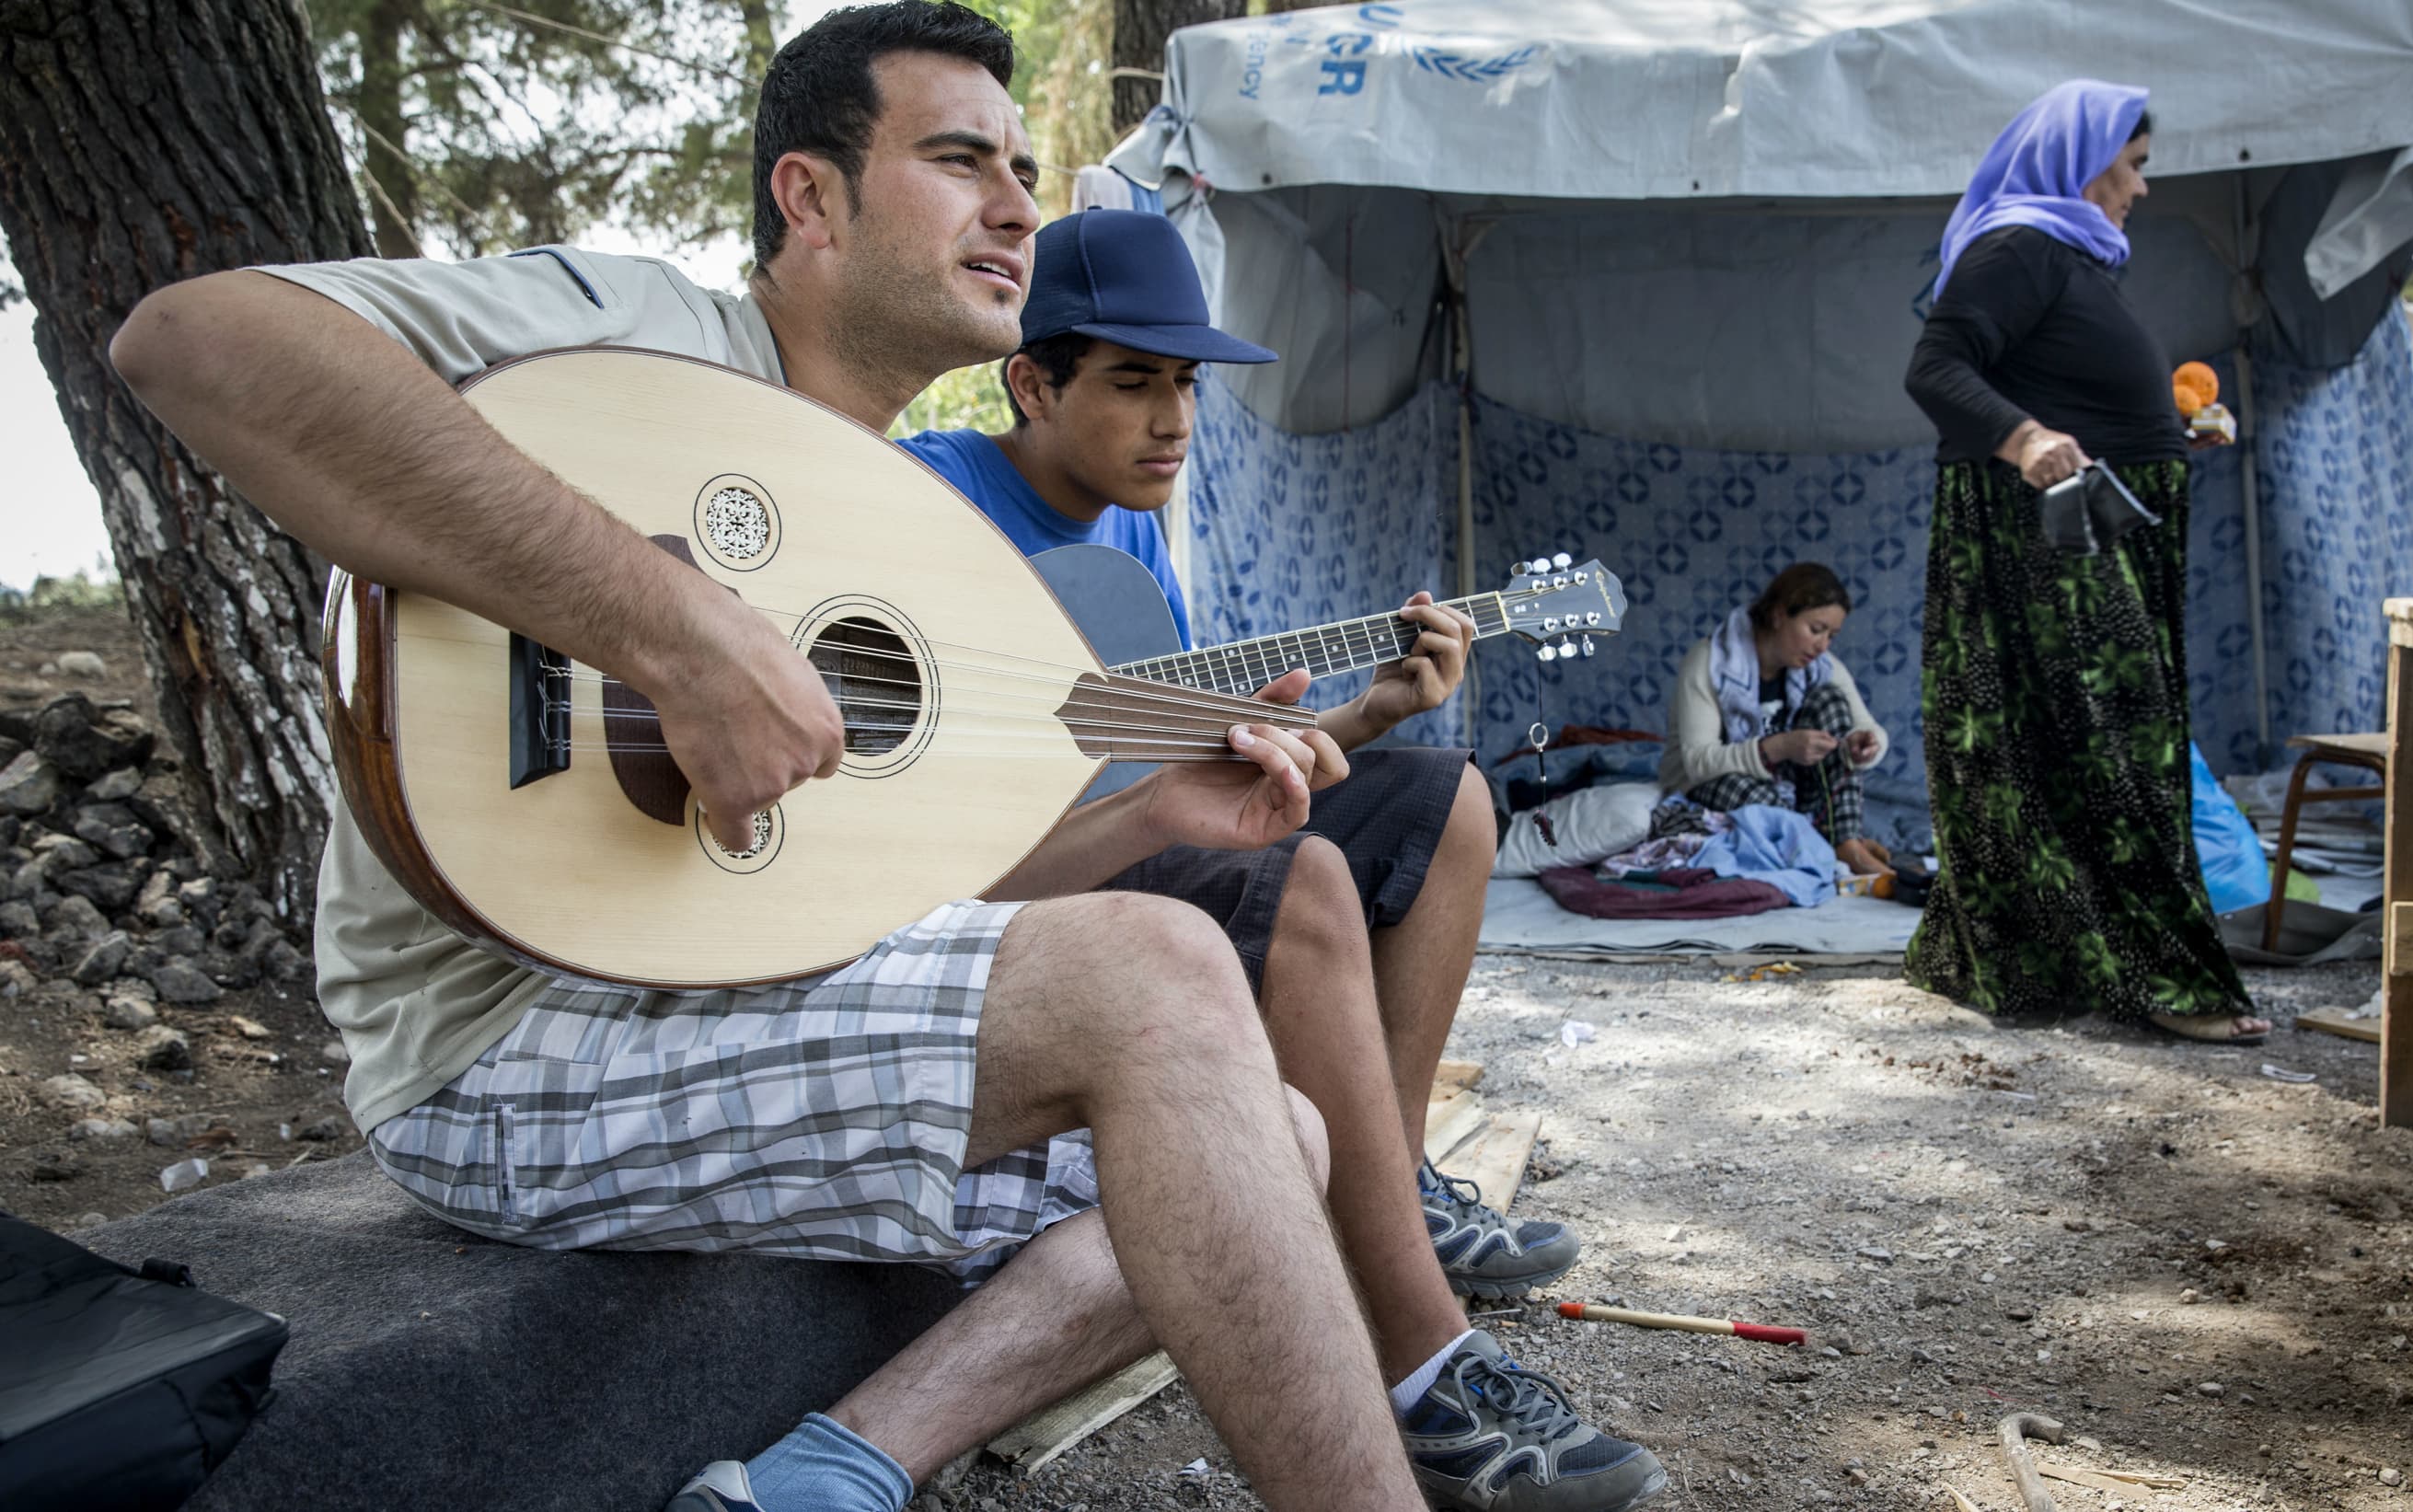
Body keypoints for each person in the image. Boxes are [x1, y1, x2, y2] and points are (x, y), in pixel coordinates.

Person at [107, 7, 1663, 1511]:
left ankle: (834, 1465)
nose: (1017, 210)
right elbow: (196, 341)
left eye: (1022, 173)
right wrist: (676, 633)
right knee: (1167, 973)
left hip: (731, 991)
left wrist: (1150, 811)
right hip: (515, 1040)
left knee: (1290, 1128)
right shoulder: (649, 334)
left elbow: (902, 893)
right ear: (811, 198)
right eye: (959, 160)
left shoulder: (902, 518)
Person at [900, 207, 1581, 1303]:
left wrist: (1368, 712)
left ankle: (1396, 1176)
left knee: (1447, 794)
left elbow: (1185, 756)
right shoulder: (924, 494)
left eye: (1187, 383)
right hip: (984, 888)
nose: (1174, 419)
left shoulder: (1130, 529)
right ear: (1031, 384)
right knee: (1301, 872)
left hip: (1128, 834)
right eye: (1134, 382)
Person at [1899, 78, 2264, 1044]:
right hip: (2052, 552)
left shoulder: (2067, 255)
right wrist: (2023, 439)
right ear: (2078, 158)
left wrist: (2170, 435)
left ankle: (2067, 958)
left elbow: (2074, 385)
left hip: (2097, 538)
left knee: (2081, 750)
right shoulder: (2015, 245)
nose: (2141, 188)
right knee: (2113, 748)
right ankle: (2161, 977)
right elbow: (1934, 369)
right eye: (2132, 165)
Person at [1657, 562, 1894, 879]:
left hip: (1790, 792)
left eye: (1831, 636)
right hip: (1712, 785)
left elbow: (1869, 727)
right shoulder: (1709, 661)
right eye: (1816, 630)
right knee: (1754, 797)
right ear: (1779, 615)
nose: (1822, 646)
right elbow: (1698, 763)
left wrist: (1863, 744)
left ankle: (1846, 842)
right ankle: (1820, 843)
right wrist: (1777, 747)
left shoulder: (1821, 666)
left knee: (1831, 701)